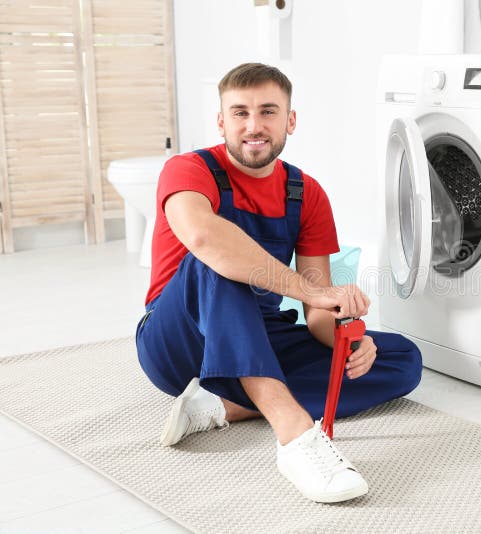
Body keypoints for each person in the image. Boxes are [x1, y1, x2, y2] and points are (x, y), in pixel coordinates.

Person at [135, 62, 422, 503]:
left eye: (268, 111)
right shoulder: (187, 169)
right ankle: (295, 437)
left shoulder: (305, 194)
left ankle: (220, 407)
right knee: (217, 263)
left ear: (290, 120)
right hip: (178, 340)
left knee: (401, 357)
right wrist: (314, 292)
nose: (254, 125)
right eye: (240, 113)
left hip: (260, 336)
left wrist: (349, 333)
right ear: (221, 121)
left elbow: (317, 314)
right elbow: (203, 237)